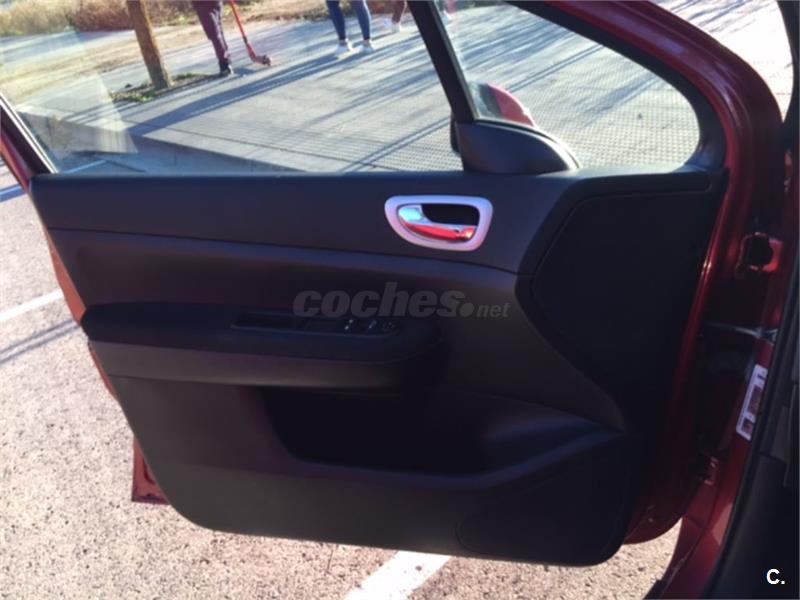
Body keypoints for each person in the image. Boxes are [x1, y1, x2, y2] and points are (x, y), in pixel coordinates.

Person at [192, 0, 234, 76]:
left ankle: (224, 63)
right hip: (212, 3)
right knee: (218, 31)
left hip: (204, 4)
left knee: (215, 33)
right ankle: (226, 60)